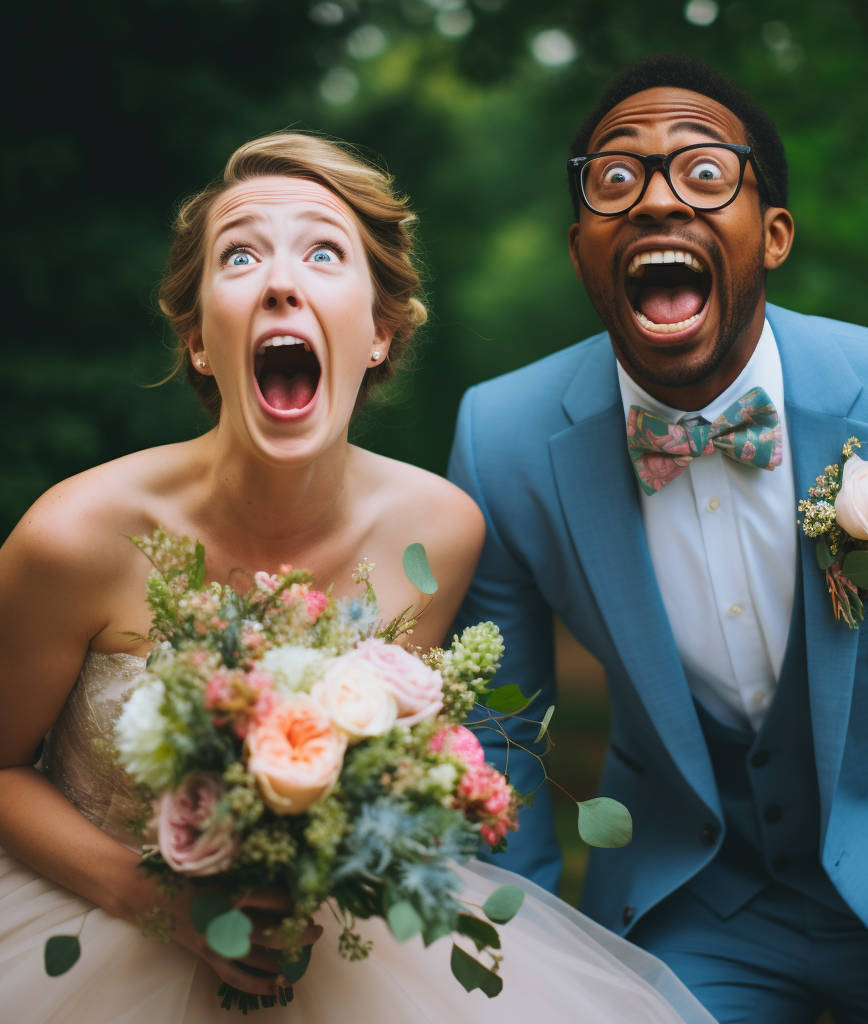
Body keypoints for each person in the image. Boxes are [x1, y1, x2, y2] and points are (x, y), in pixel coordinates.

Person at [0, 132, 710, 1023]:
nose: (282, 281)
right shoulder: (76, 537)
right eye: (242, 254)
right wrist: (163, 904)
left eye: (324, 252)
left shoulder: (440, 533)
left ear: (377, 334)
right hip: (88, 935)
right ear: (201, 345)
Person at [448, 52, 868, 1024]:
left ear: (774, 235)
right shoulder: (500, 442)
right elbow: (497, 737)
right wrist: (526, 966)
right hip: (688, 904)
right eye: (615, 178)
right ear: (580, 244)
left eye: (705, 172)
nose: (657, 201)